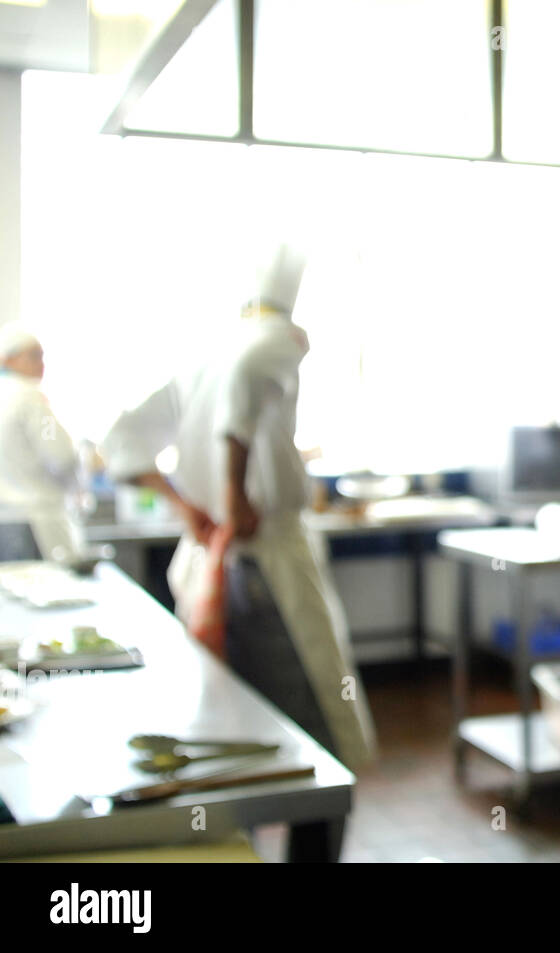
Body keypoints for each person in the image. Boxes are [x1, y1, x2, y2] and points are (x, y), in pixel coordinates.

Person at [101, 245, 376, 773]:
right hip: (264, 565)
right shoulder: (275, 340)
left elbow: (123, 438)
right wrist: (235, 496)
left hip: (208, 561)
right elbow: (246, 387)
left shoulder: (206, 353)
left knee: (227, 728)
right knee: (315, 730)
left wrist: (187, 509)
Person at [0, 323, 84, 560]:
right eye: (34, 356)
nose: (42, 365)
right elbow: (60, 455)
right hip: (33, 523)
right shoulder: (30, 398)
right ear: (8, 360)